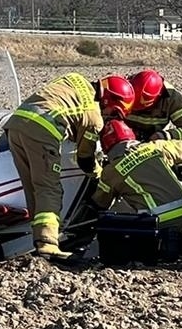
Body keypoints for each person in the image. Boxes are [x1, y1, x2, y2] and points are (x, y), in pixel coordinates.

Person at [6, 71, 108, 257]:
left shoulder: (75, 77)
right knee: (49, 188)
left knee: (32, 187)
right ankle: (47, 244)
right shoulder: (95, 117)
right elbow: (85, 157)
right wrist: (99, 174)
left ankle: (36, 237)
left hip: (16, 124)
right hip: (42, 130)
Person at [91, 117, 182, 232]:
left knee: (113, 219)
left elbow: (101, 203)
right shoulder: (156, 147)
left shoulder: (111, 171)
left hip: (158, 220)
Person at [127, 68, 182, 148]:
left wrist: (166, 135)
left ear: (159, 95)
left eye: (145, 105)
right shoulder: (122, 89)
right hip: (123, 141)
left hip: (155, 144)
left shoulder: (172, 98)